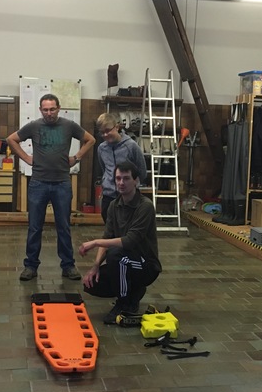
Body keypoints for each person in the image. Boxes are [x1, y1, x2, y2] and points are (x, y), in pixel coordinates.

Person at [8, 93, 95, 281]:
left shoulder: (69, 126)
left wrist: (77, 157)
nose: (49, 113)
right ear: (40, 110)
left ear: (59, 108)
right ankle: (30, 266)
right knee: (34, 227)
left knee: (63, 226)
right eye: (45, 110)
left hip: (62, 183)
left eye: (52, 109)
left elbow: (90, 140)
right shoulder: (34, 126)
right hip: (38, 183)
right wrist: (26, 158)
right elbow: (11, 139)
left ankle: (68, 265)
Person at [79, 161, 161, 324]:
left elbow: (130, 241)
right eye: (118, 178)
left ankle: (125, 304)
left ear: (136, 181)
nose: (121, 183)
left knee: (116, 256)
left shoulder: (145, 206)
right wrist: (95, 266)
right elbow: (107, 236)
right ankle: (135, 291)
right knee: (92, 284)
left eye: (126, 178)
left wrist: (94, 242)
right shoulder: (114, 206)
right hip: (127, 259)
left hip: (147, 265)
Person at [94, 112, 147, 221]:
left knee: (128, 228)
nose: (105, 135)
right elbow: (105, 169)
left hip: (128, 197)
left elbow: (142, 172)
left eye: (108, 130)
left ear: (117, 127)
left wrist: (130, 186)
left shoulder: (131, 146)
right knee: (110, 228)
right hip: (108, 196)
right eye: (102, 132)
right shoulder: (101, 149)